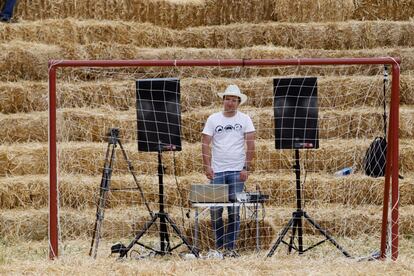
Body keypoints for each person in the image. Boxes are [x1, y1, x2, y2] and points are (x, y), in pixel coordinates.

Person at [201, 84, 255, 257]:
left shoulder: (245, 119)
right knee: (215, 209)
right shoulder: (213, 119)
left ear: (239, 102)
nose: (230, 103)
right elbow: (204, 143)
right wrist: (207, 166)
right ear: (223, 100)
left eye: (234, 100)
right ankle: (219, 246)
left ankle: (230, 248)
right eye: (228, 99)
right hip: (217, 171)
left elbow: (251, 145)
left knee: (234, 210)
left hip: (237, 171)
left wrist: (245, 167)